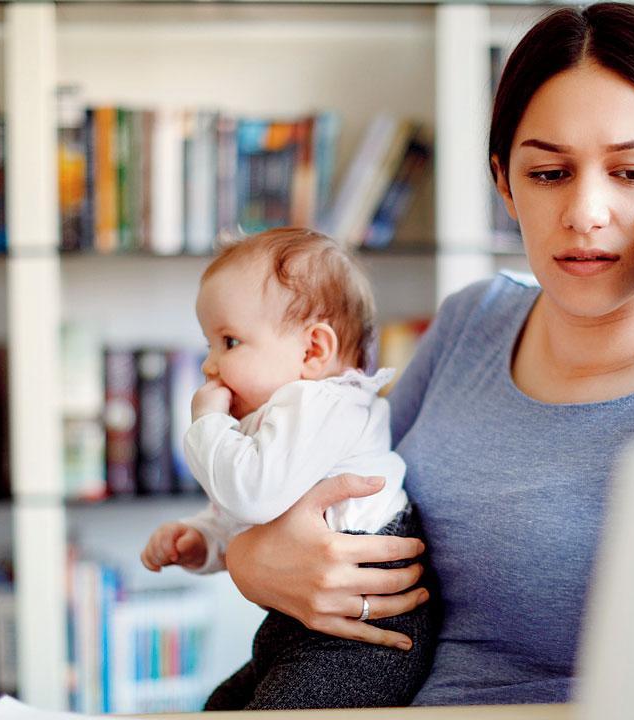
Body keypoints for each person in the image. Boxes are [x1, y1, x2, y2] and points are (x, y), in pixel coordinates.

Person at [220, 2, 634, 707]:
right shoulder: (472, 321)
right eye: (549, 174)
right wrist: (250, 557)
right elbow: (335, 478)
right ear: (505, 184)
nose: (586, 212)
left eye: (631, 173)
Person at [139, 227, 436, 709]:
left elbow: (252, 494)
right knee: (219, 707)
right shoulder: (282, 414)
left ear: (313, 351)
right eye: (210, 345)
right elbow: (254, 517)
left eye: (229, 342)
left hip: (362, 637)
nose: (210, 366)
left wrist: (208, 422)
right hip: (301, 625)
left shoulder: (323, 404)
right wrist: (204, 539)